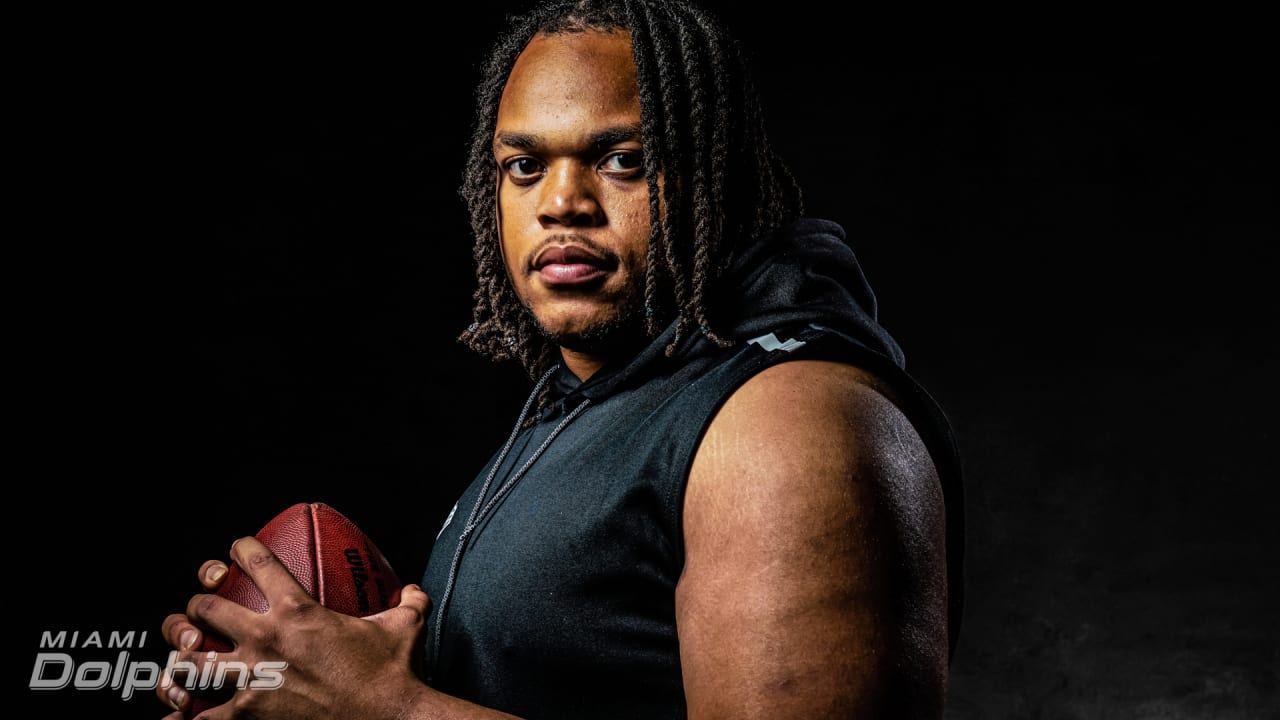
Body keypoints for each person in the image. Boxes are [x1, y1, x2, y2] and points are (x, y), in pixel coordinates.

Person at [158, 0, 965, 717]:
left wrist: (383, 708)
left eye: (623, 160)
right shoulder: (578, 405)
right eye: (525, 165)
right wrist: (293, 673)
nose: (560, 202)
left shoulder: (788, 421)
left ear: (722, 183)